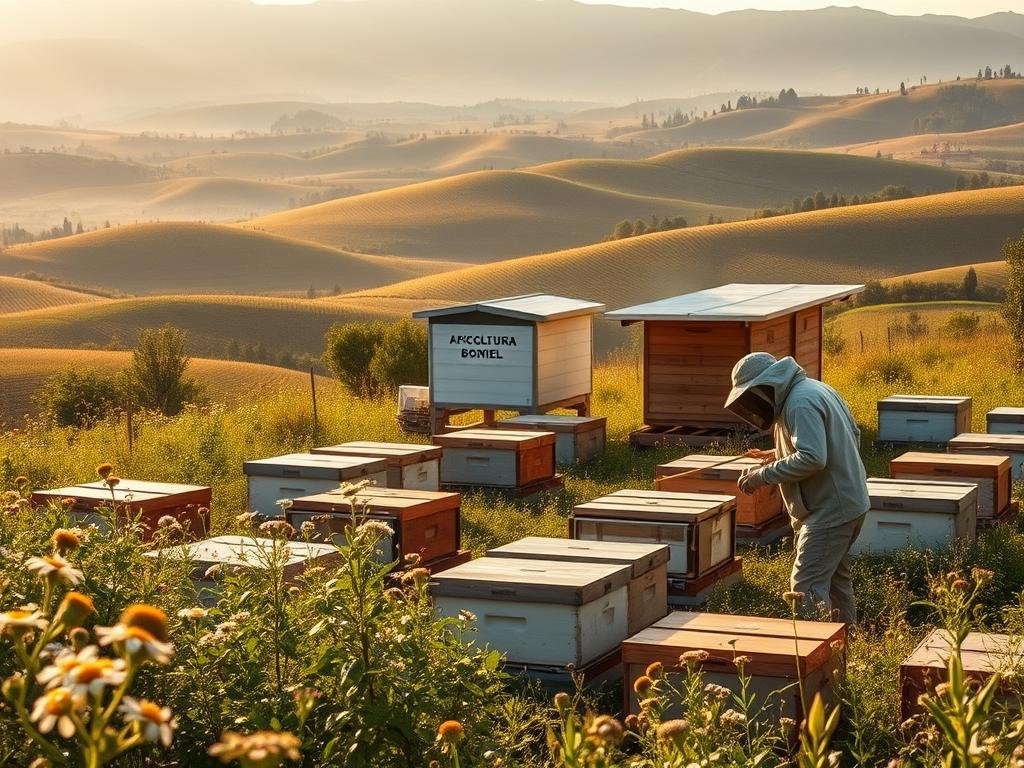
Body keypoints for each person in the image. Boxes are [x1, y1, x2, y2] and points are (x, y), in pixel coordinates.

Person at [723, 352, 869, 625]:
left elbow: (813, 457)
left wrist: (761, 476)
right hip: (848, 502)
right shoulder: (815, 389)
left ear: (766, 385)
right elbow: (848, 435)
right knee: (836, 582)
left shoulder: (799, 403)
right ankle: (842, 648)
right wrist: (777, 454)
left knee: (806, 586)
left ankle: (818, 659)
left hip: (828, 511)